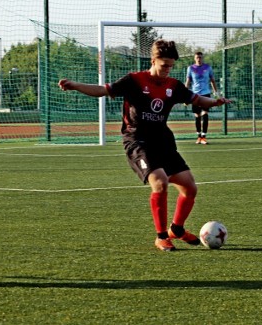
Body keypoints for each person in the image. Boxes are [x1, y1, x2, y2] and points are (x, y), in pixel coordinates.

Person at [58, 40, 230, 252]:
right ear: (153, 61)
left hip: (163, 141)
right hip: (137, 140)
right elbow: (102, 90)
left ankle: (176, 230)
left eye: (171, 65)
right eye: (164, 65)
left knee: (189, 188)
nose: (167, 69)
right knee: (160, 181)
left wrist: (215, 102)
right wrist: (76, 86)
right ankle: (160, 237)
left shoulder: (173, 86)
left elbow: (196, 99)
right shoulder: (134, 81)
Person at [186, 51, 218, 145]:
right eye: (197, 57)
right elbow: (188, 81)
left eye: (200, 57)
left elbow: (212, 80)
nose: (199, 59)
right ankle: (198, 136)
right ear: (194, 58)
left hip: (206, 94)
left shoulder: (208, 68)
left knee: (205, 114)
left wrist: (216, 92)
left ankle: (204, 137)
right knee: (197, 115)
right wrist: (184, 95)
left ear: (202, 58)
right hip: (195, 94)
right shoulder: (190, 68)